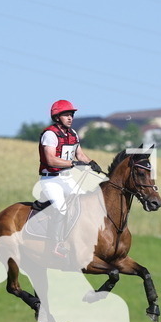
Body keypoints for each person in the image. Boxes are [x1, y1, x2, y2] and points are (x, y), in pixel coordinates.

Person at [34, 99, 103, 256]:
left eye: (71, 115)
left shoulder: (73, 134)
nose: (70, 118)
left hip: (66, 178)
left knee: (84, 205)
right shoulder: (50, 134)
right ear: (57, 117)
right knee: (62, 208)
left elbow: (80, 154)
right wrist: (73, 163)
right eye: (66, 115)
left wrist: (91, 163)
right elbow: (50, 160)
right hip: (50, 180)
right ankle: (55, 245)